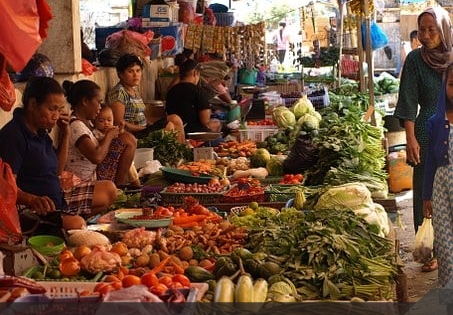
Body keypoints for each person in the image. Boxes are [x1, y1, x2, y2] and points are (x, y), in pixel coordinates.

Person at [0, 77, 116, 236]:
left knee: (109, 190)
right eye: (52, 109)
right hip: (32, 209)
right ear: (33, 104)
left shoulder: (41, 131)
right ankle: (61, 227)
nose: (56, 116)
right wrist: (31, 199)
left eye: (59, 110)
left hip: (58, 198)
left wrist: (66, 133)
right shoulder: (14, 136)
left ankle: (65, 222)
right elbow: (6, 188)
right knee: (77, 224)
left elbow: (57, 171)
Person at [394, 6, 453, 272]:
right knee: (426, 192)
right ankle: (429, 249)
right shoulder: (416, 60)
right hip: (426, 133)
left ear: (444, 30)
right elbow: (407, 100)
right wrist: (410, 138)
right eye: (422, 30)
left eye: (432, 30)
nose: (426, 35)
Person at [63, 79, 138, 187]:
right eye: (98, 102)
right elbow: (96, 157)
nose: (99, 108)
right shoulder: (76, 126)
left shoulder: (87, 122)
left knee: (127, 138)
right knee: (128, 139)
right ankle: (119, 186)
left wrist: (115, 133)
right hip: (86, 179)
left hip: (94, 172)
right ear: (85, 101)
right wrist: (109, 136)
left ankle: (120, 186)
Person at [423, 62, 453, 312]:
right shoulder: (435, 122)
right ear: (444, 86)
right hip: (442, 191)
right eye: (452, 84)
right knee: (445, 248)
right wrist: (426, 196)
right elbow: (430, 162)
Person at [107, 53, 185, 143]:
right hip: (134, 135)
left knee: (175, 118)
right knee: (169, 125)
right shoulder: (118, 93)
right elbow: (119, 123)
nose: (135, 75)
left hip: (144, 130)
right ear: (120, 74)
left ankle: (182, 151)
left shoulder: (134, 89)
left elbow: (140, 116)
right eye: (130, 71)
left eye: (138, 70)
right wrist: (144, 128)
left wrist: (150, 124)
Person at [166, 59, 221, 134]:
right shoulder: (199, 91)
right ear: (195, 73)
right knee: (217, 125)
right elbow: (205, 121)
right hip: (194, 134)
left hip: (174, 132)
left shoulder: (171, 91)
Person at [93, 106, 139, 185]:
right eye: (101, 121)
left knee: (130, 163)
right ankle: (125, 184)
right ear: (94, 122)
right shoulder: (96, 133)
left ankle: (136, 183)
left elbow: (120, 135)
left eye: (109, 120)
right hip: (106, 158)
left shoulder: (112, 129)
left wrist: (121, 128)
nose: (106, 123)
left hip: (115, 154)